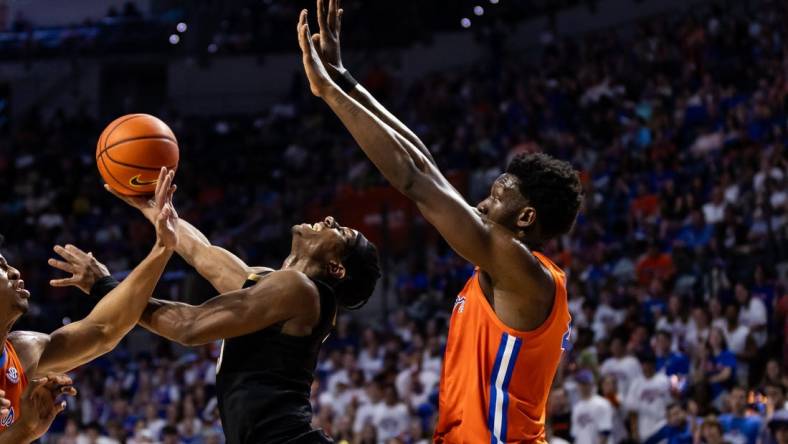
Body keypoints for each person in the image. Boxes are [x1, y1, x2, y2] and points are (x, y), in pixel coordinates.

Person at [296, 1, 581, 441]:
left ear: (525, 217)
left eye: (496, 197)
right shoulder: (511, 271)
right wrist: (345, 79)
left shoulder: (520, 270)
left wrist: (329, 94)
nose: (482, 205)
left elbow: (413, 179)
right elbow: (423, 160)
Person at [52, 191, 381, 443]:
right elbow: (201, 254)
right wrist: (152, 206)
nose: (327, 219)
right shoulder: (276, 286)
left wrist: (105, 287)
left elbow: (189, 327)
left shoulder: (301, 291)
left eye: (339, 231)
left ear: (337, 268)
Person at [0, 167, 178, 435]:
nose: (14, 270)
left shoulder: (23, 351)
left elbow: (104, 330)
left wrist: (163, 248)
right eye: (0, 265)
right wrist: (24, 433)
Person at [571, 370, 614, 444]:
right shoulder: (576, 407)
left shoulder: (602, 403)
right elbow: (575, 434)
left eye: (584, 383)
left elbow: (605, 432)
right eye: (580, 383)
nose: (582, 386)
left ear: (591, 384)